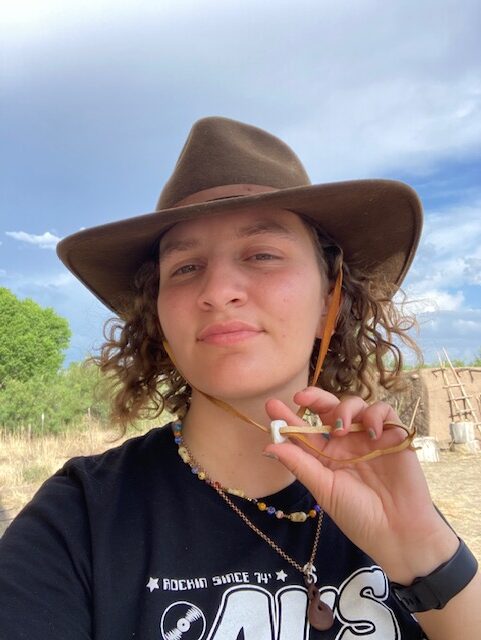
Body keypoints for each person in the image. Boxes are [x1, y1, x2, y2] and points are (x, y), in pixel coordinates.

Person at [0, 116, 479, 639]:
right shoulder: (79, 521)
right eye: (184, 267)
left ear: (329, 302)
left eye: (262, 254)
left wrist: (425, 557)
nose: (218, 289)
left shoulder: (387, 493)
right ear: (158, 317)